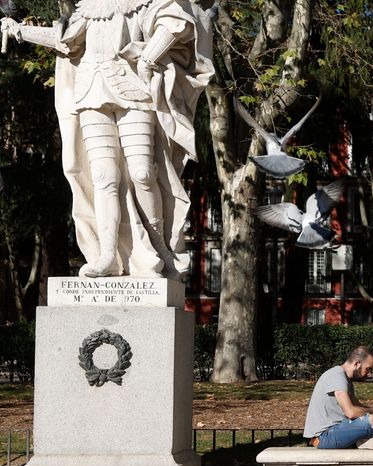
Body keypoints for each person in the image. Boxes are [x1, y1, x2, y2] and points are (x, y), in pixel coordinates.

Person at [1, 0, 214, 278]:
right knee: (103, 177)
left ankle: (160, 247)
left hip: (134, 91)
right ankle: (107, 256)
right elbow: (64, 38)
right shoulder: (88, 6)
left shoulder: (144, 1)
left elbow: (177, 22)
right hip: (90, 91)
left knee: (142, 173)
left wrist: (150, 57)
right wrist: (19, 30)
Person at [303, 346, 373, 450]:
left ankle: (363, 440)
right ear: (357, 364)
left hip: (339, 429)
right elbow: (351, 412)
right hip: (323, 437)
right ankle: (362, 440)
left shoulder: (346, 379)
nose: (369, 373)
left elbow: (358, 408)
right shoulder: (337, 376)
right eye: (368, 368)